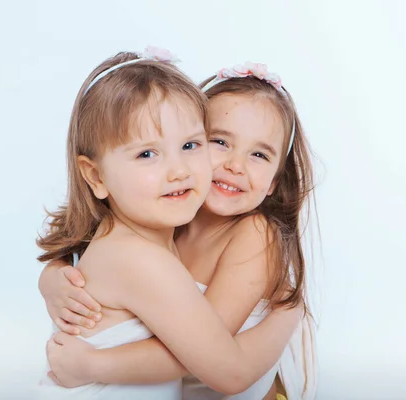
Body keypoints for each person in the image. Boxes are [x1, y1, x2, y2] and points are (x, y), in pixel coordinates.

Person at [36, 47, 303, 400]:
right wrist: (51, 280)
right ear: (95, 176)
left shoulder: (163, 220)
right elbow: (222, 365)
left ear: (274, 180)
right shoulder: (155, 232)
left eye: (189, 145)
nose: (235, 166)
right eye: (218, 142)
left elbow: (208, 353)